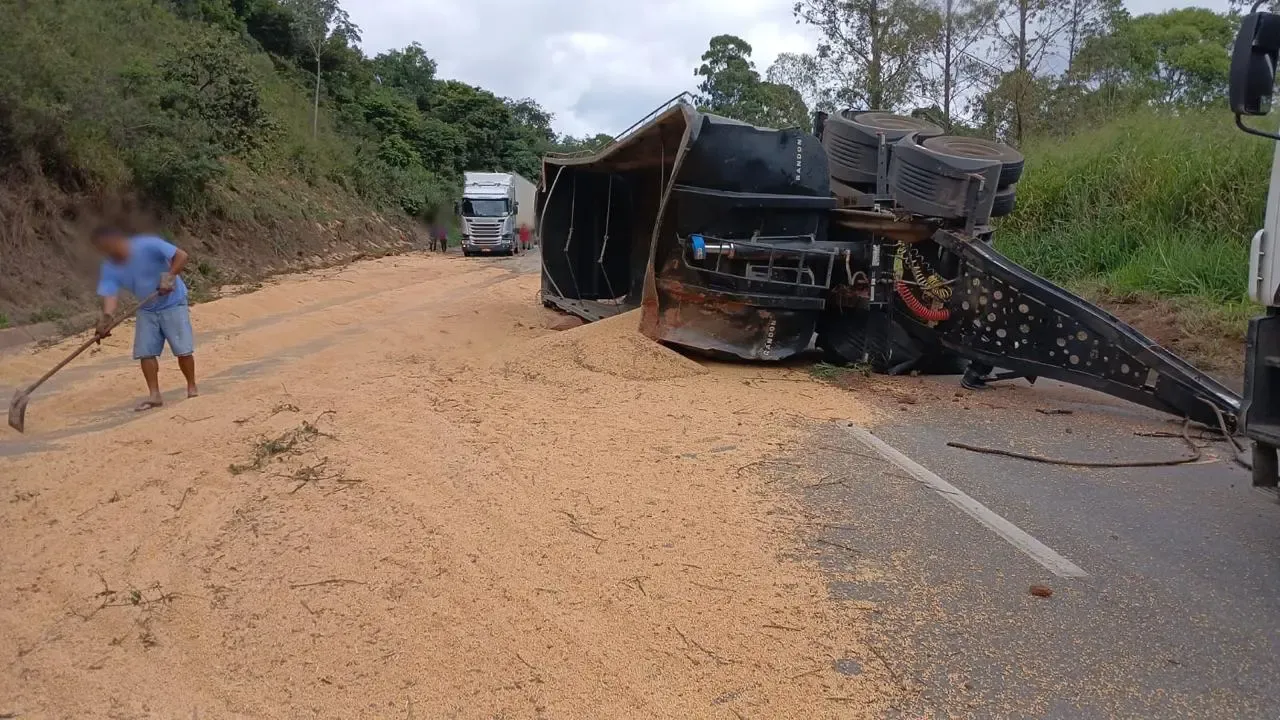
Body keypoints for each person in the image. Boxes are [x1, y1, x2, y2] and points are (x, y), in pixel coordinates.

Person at [91, 227, 197, 411]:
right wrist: (106, 319)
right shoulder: (110, 266)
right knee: (145, 352)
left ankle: (191, 386)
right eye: (103, 249)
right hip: (146, 308)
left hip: (173, 303)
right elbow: (110, 295)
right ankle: (154, 395)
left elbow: (182, 256)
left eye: (109, 247)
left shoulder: (148, 245)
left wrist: (169, 277)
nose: (108, 252)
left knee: (183, 350)